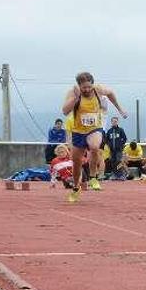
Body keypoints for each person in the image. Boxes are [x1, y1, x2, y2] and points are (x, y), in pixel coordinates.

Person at [61, 72, 127, 202]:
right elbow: (65, 111)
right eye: (83, 87)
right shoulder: (73, 93)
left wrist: (120, 109)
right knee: (77, 162)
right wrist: (76, 98)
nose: (87, 90)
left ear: (93, 84)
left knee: (95, 146)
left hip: (94, 128)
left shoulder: (98, 90)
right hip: (78, 131)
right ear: (79, 86)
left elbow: (111, 94)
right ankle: (75, 187)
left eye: (89, 87)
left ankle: (93, 177)